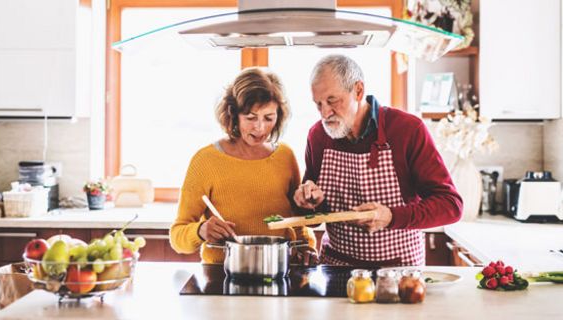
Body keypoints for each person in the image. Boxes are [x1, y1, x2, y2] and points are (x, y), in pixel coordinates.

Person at [293, 54, 462, 266]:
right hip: (336, 267)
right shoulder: (318, 136)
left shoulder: (407, 130)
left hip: (398, 271)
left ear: (358, 90)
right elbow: (312, 210)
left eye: (332, 101)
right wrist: (309, 202)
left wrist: (391, 216)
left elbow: (450, 205)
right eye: (318, 104)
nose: (325, 113)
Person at [171, 67, 316, 264]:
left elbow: (297, 222)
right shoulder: (205, 161)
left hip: (278, 268)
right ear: (233, 115)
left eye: (268, 118)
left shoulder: (285, 156)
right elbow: (177, 236)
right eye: (250, 117)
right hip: (222, 274)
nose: (260, 127)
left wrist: (306, 246)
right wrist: (200, 231)